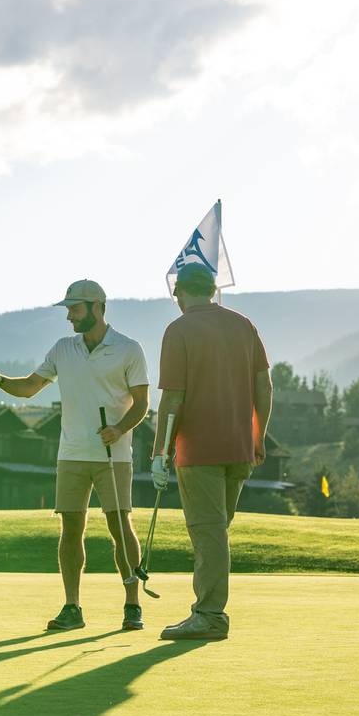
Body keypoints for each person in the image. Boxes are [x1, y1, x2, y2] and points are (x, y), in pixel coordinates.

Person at [0, 280, 150, 632]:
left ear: (97, 306)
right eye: (68, 310)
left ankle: (132, 604)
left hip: (114, 455)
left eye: (74, 309)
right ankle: (72, 607)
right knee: (70, 528)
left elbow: (142, 403)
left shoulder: (128, 349)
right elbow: (30, 387)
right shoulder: (63, 348)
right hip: (72, 454)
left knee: (119, 526)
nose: (69, 317)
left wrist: (119, 428)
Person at [150, 263, 272, 641]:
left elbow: (173, 397)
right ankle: (209, 610)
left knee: (208, 533)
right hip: (239, 448)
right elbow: (264, 387)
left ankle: (209, 615)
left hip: (199, 450)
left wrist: (159, 452)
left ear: (180, 294)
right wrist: (258, 437)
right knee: (216, 532)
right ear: (212, 288)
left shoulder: (179, 329)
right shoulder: (244, 324)